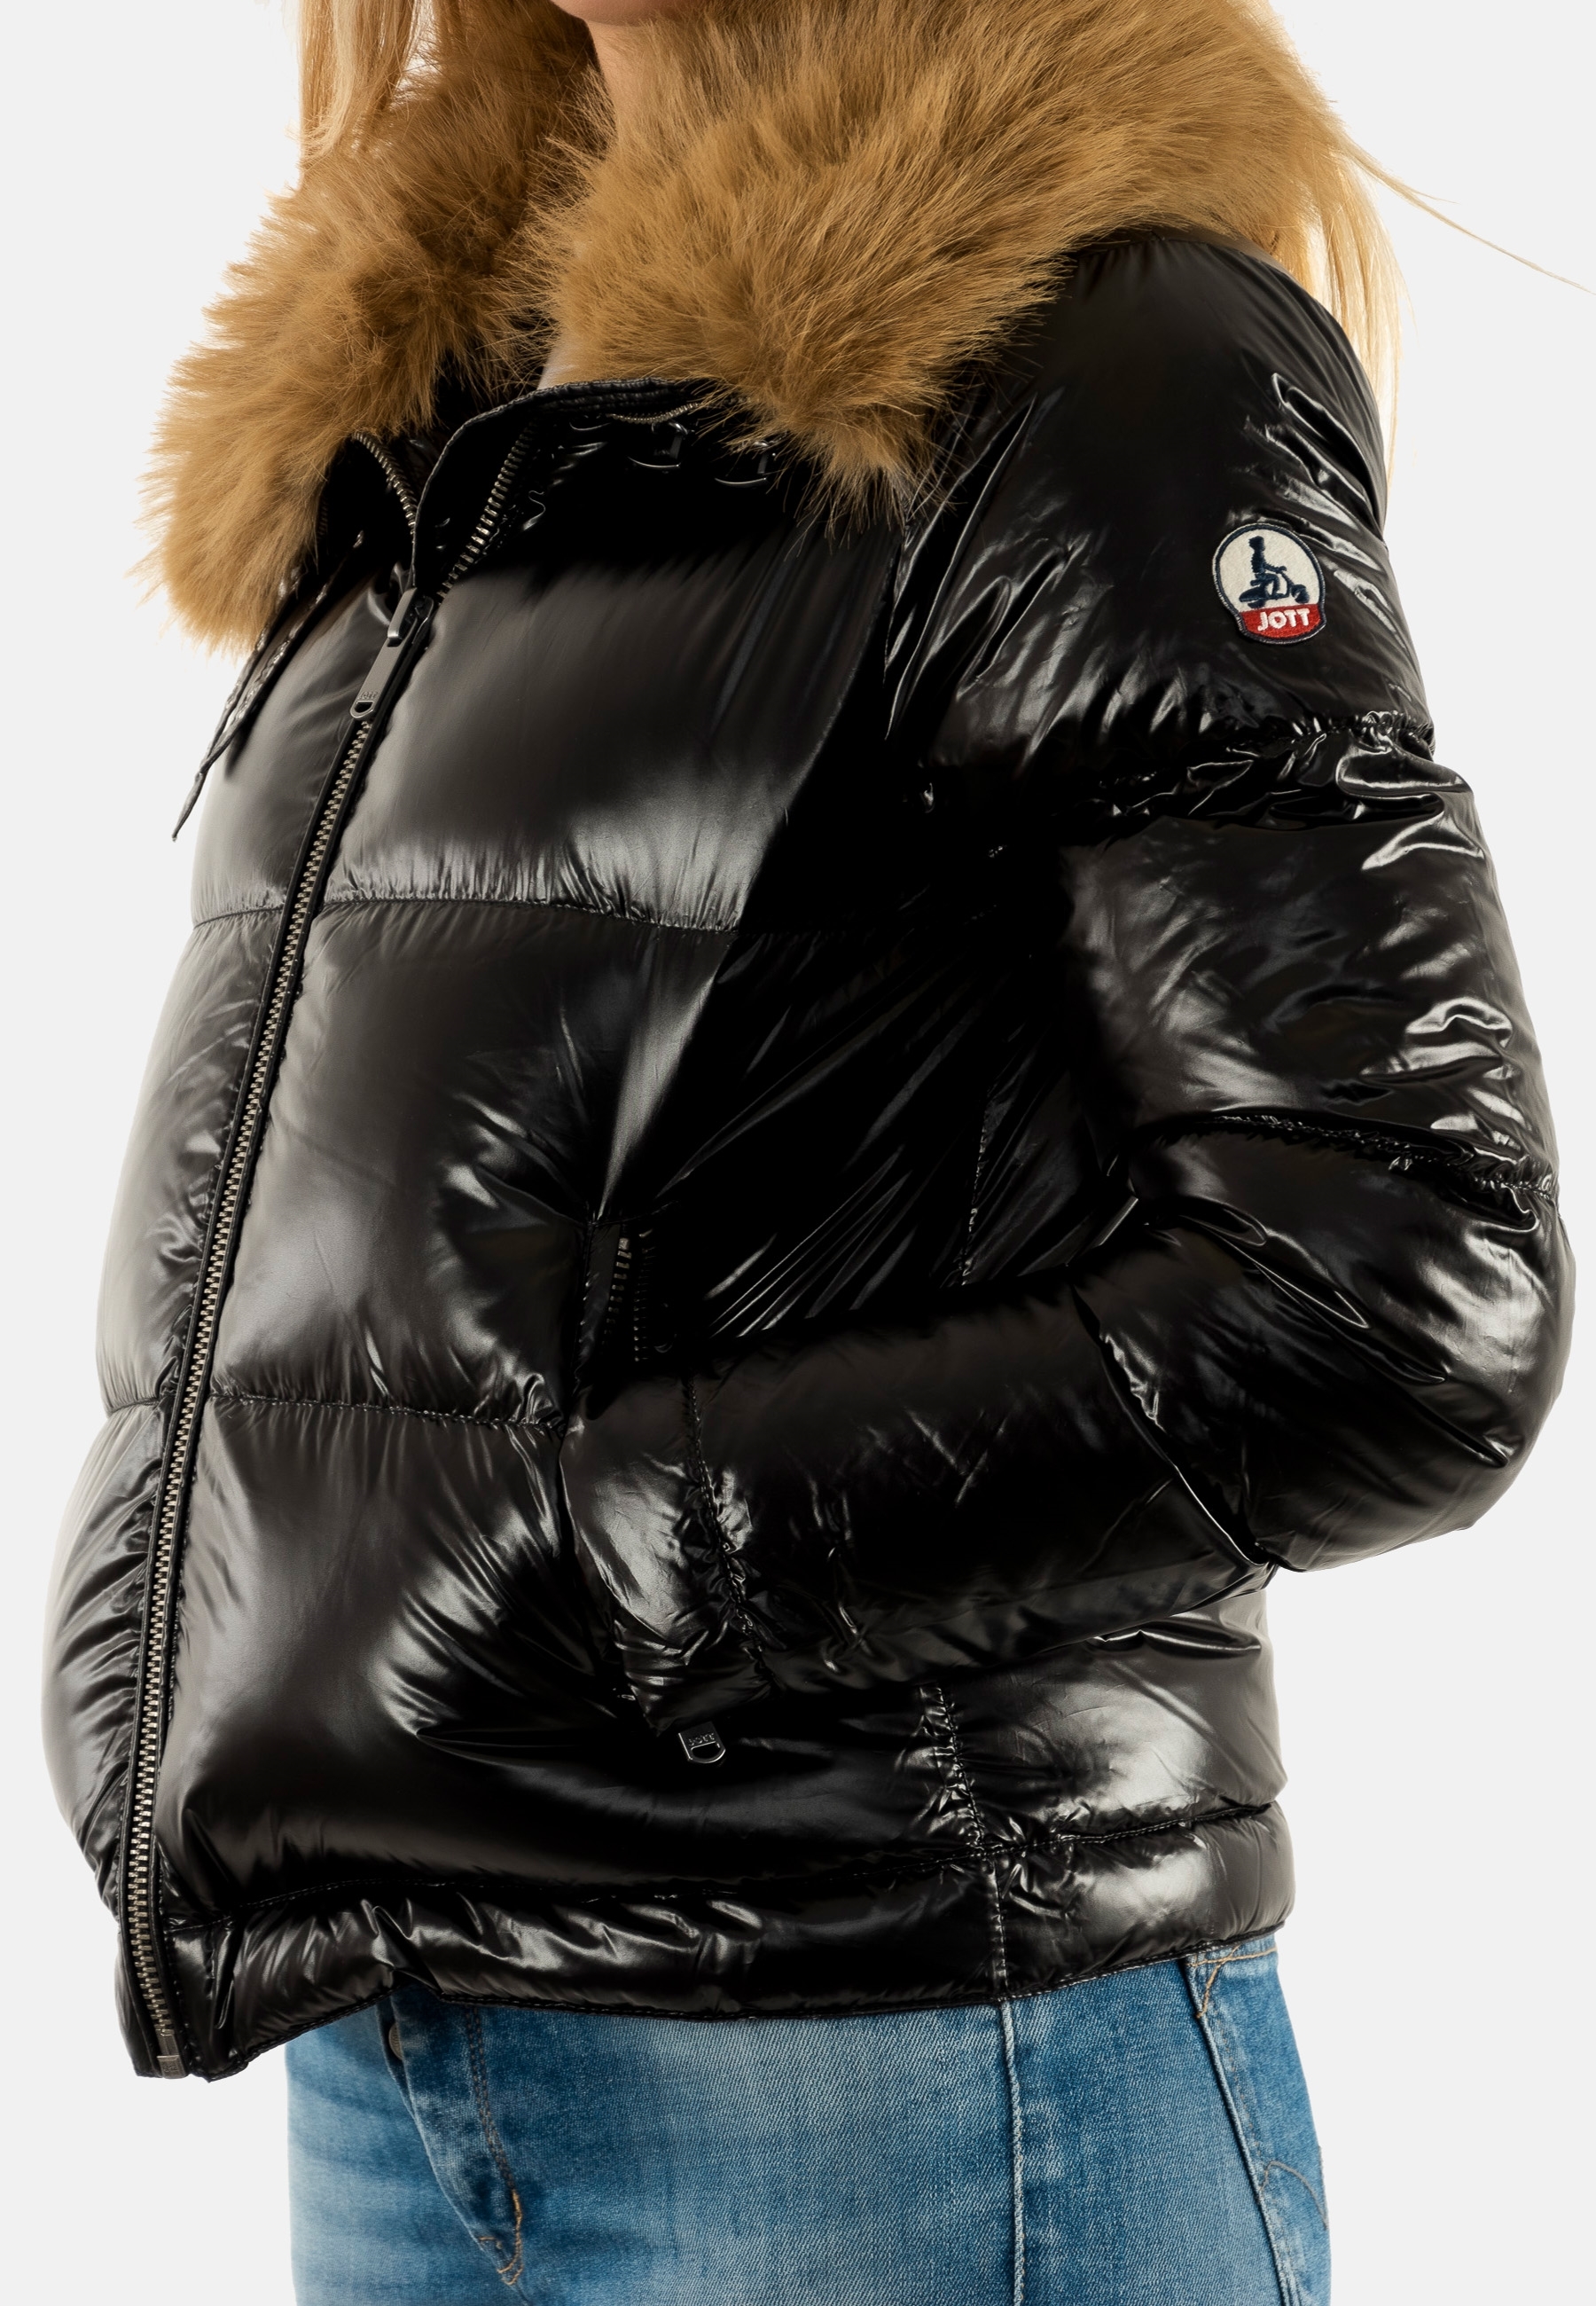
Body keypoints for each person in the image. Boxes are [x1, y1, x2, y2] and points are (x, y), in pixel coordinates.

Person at [43, 1, 1571, 2299]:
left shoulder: (1109, 362)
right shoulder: (458, 420)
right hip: (406, 2034)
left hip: (900, 2064)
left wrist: (600, 1559)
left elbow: (1402, 1292)